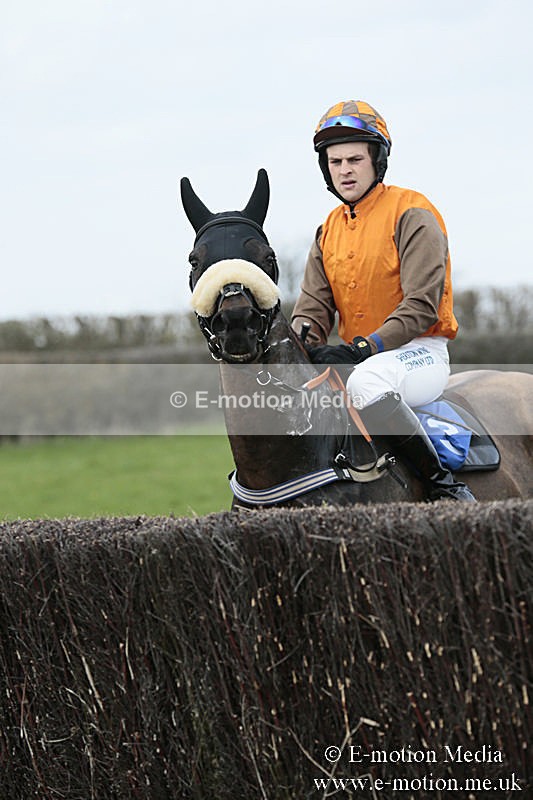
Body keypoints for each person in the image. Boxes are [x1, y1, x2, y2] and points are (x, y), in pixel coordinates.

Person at [291, 100, 475, 501]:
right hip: (360, 358)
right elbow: (311, 310)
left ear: (377, 161)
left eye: (355, 159)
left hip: (419, 354)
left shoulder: (413, 212)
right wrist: (299, 347)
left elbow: (421, 305)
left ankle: (445, 487)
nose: (345, 170)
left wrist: (363, 348)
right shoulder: (327, 231)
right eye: (335, 161)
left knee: (367, 381)